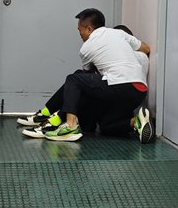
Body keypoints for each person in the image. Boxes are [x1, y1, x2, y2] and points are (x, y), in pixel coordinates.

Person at [18, 8, 153, 143]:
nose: (80, 34)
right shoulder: (119, 34)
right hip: (139, 92)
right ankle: (136, 121)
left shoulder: (86, 48)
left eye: (80, 30)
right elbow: (146, 48)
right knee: (106, 127)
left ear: (89, 29)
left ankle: (67, 124)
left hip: (120, 86)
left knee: (74, 79)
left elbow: (86, 78)